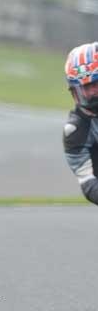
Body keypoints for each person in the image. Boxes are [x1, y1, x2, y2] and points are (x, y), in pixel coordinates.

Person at [63, 42, 98, 203]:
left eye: (95, 84)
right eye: (84, 88)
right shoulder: (75, 131)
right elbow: (87, 182)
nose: (92, 93)